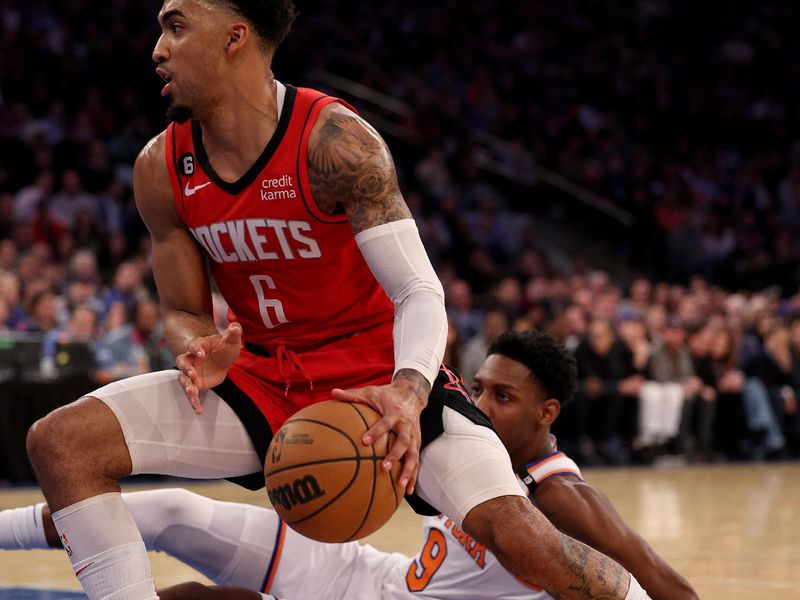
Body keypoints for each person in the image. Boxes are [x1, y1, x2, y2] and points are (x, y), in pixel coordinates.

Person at [24, 2, 640, 599]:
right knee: (63, 443)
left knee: (522, 538)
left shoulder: (336, 143)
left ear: (235, 37)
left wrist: (408, 390)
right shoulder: (161, 166)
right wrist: (196, 346)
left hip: (380, 381)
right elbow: (183, 312)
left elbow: (419, 290)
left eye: (176, 27)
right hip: (266, 379)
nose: (157, 49)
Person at [2, 331, 695, 599]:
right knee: (176, 510)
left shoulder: (561, 497)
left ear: (548, 415)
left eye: (502, 398)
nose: (481, 404)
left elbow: (662, 585)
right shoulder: (467, 449)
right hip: (364, 573)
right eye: (479, 388)